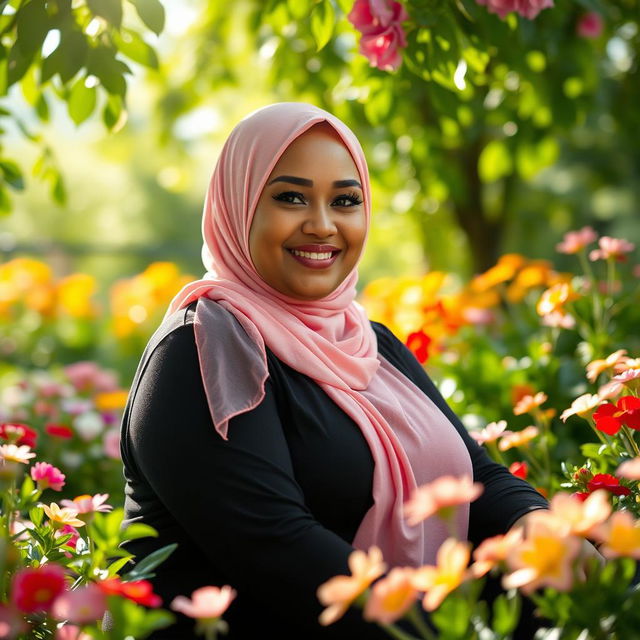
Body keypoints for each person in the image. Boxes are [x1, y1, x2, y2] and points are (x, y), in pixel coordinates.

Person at [119, 102, 549, 639]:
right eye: (290, 197)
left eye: (345, 201)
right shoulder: (203, 351)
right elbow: (278, 546)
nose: (322, 225)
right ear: (238, 206)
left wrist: (548, 534)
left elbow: (477, 476)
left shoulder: (370, 343)